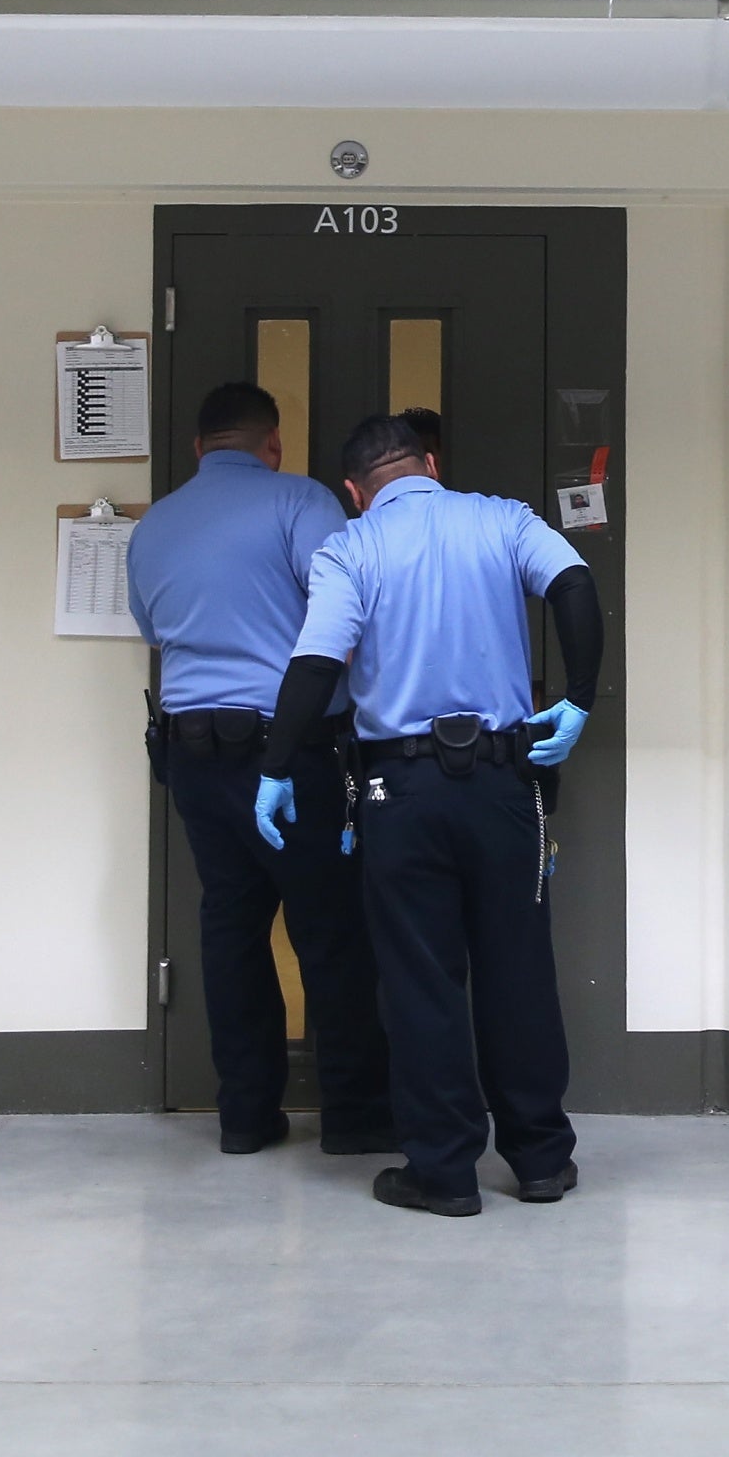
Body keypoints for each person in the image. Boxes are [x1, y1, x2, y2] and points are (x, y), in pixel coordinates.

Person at [255, 412, 601, 1217]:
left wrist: (275, 768)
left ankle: (443, 1171)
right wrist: (579, 700)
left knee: (421, 981)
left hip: (400, 794)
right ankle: (542, 1158)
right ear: (432, 463)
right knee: (518, 968)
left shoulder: (351, 547)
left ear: (354, 490)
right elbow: (576, 585)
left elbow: (314, 662)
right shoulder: (504, 518)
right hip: (506, 783)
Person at [125, 381, 390, 1157]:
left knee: (231, 927)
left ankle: (245, 1114)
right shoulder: (300, 501)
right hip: (288, 750)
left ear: (198, 448)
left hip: (191, 753)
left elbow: (151, 627)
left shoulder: (153, 527)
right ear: (271, 443)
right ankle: (355, 1116)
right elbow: (348, 605)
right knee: (329, 931)